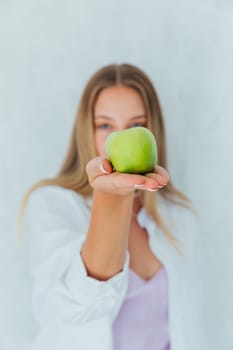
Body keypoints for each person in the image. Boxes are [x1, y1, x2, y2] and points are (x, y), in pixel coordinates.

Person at [18, 63, 207, 350]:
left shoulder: (178, 214)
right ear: (86, 130)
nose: (119, 136)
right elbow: (78, 302)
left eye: (136, 125)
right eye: (105, 125)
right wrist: (111, 197)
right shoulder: (51, 203)